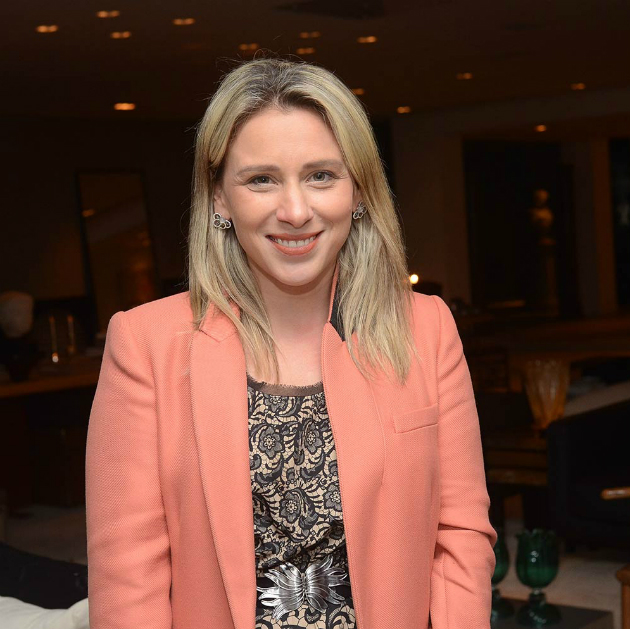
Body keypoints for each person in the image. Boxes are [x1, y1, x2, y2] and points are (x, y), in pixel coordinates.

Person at [85, 55, 497, 629]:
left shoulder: (427, 328)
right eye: (261, 179)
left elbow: (460, 536)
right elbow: (128, 578)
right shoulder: (145, 345)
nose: (296, 211)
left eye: (321, 175)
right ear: (220, 198)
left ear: (359, 191)